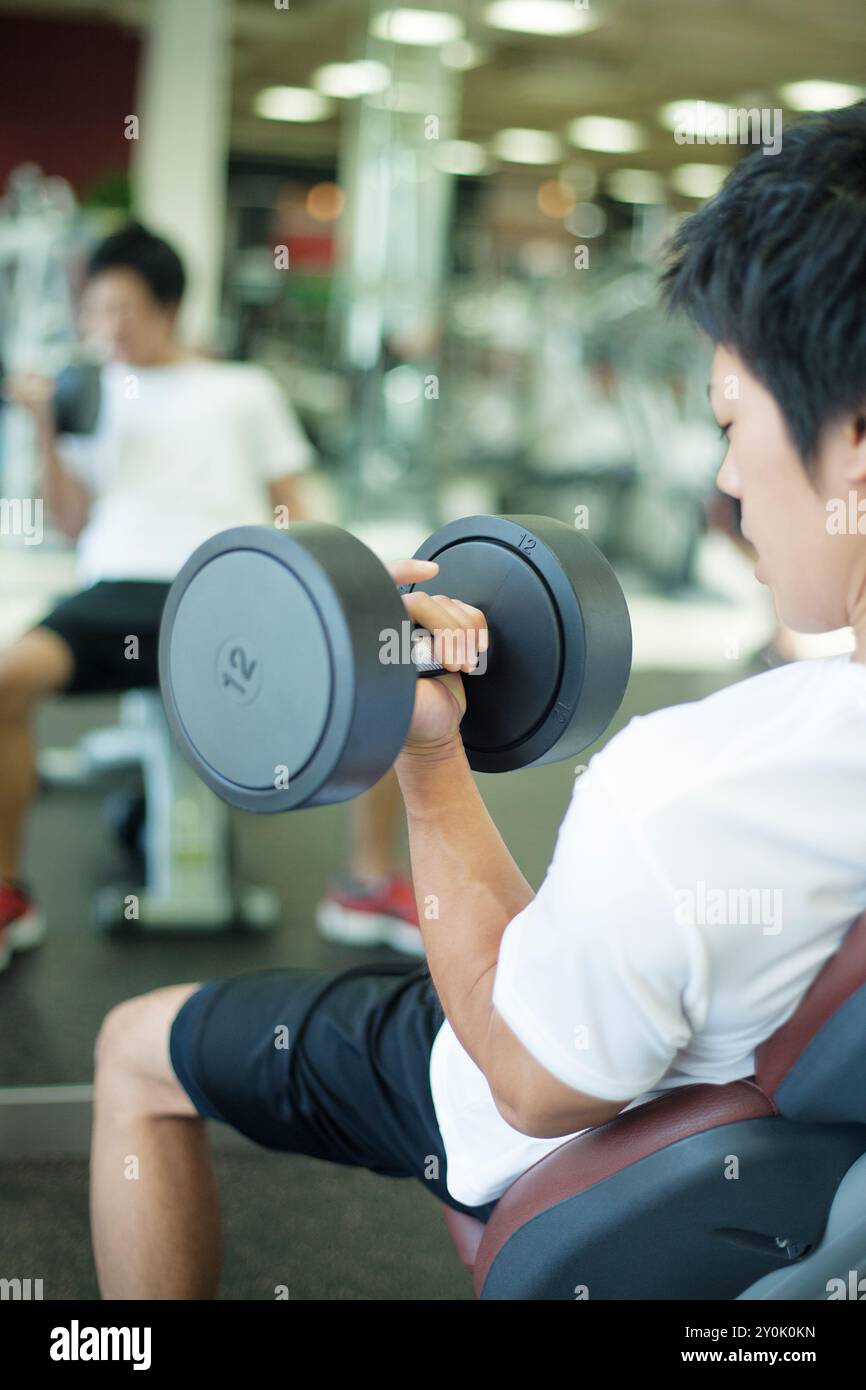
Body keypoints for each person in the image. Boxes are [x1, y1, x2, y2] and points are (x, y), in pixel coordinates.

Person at [89, 103, 866, 1298]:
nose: (720, 478)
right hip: (777, 1126)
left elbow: (521, 1071)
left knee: (134, 1044)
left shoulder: (687, 787)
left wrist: (426, 758)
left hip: (561, 1120)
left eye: (729, 421)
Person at [0, 222, 419, 969]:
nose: (110, 328)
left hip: (231, 588)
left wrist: (339, 582)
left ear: (169, 307)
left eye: (125, 309)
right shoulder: (89, 393)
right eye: (98, 311)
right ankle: (8, 894)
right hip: (117, 593)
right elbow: (69, 520)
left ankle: (365, 883)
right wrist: (44, 427)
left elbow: (294, 500)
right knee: (8, 678)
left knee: (380, 662)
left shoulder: (241, 388)